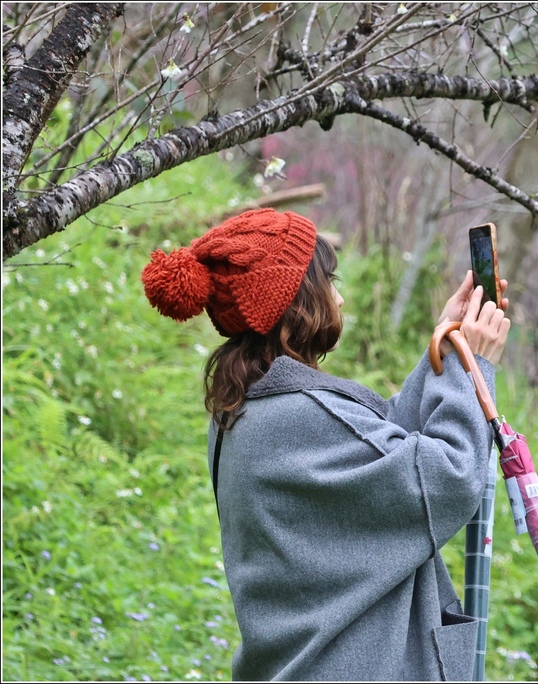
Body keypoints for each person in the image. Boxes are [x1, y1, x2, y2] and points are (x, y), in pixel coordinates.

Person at [140, 208, 511, 681]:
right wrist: (471, 366)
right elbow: (448, 476)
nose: (339, 294)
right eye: (328, 279)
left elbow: (383, 448)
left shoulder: (245, 411)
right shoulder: (303, 419)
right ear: (298, 301)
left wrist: (448, 338)